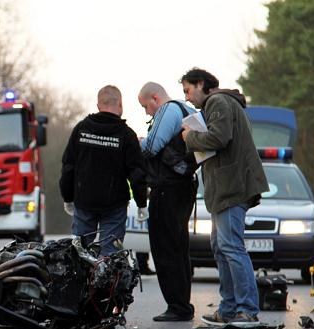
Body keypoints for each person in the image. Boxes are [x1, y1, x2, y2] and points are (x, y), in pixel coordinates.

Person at [180, 68, 268, 327]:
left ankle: (247, 310)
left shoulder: (218, 101)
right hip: (225, 190)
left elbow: (219, 137)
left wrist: (189, 137)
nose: (186, 97)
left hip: (232, 189)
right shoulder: (221, 103)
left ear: (200, 84)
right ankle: (229, 308)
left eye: (187, 90)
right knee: (221, 248)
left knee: (231, 248)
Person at [60, 85, 148, 256]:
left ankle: (82, 282)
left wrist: (67, 197)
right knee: (110, 255)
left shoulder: (81, 129)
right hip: (114, 205)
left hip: (84, 202)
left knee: (80, 253)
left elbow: (68, 166)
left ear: (98, 105)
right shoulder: (126, 135)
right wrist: (141, 203)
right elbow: (137, 173)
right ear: (120, 104)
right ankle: (106, 282)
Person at [137, 82, 197, 322]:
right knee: (180, 247)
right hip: (184, 186)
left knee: (165, 248)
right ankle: (182, 303)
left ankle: (177, 306)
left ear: (155, 98)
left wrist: (137, 141)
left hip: (167, 189)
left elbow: (151, 148)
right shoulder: (187, 110)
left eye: (145, 106)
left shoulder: (168, 110)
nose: (146, 112)